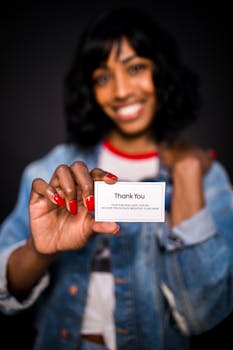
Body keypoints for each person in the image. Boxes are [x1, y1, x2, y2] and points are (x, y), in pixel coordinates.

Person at [0, 5, 233, 350]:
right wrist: (38, 251)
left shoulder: (207, 178)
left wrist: (185, 176)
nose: (121, 91)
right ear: (91, 90)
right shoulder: (51, 172)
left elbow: (205, 314)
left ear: (162, 72)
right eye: (103, 77)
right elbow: (4, 290)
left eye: (135, 67)